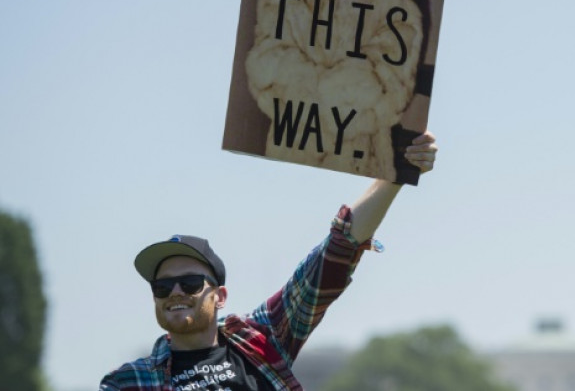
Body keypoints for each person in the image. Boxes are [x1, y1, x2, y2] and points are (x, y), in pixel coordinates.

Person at [98, 131, 438, 390]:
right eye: (161, 286)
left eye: (189, 283)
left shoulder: (260, 340)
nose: (174, 292)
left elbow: (334, 254)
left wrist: (397, 172)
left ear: (220, 296)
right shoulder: (129, 382)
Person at [246, 0, 425, 182]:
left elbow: (393, 82)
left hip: (359, 160)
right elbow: (266, 70)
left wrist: (315, 90)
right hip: (293, 152)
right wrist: (344, 93)